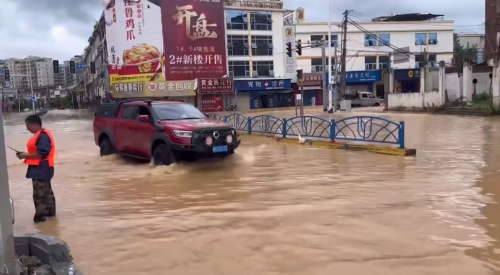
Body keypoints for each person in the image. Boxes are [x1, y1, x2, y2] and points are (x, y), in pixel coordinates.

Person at [16, 114, 56, 223]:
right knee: (47, 192)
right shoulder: (42, 135)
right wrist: (26, 155)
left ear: (35, 124)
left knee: (39, 195)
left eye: (28, 125)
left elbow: (41, 154)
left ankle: (40, 219)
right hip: (44, 168)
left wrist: (25, 155)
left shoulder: (42, 136)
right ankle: (51, 218)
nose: (27, 128)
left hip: (41, 168)